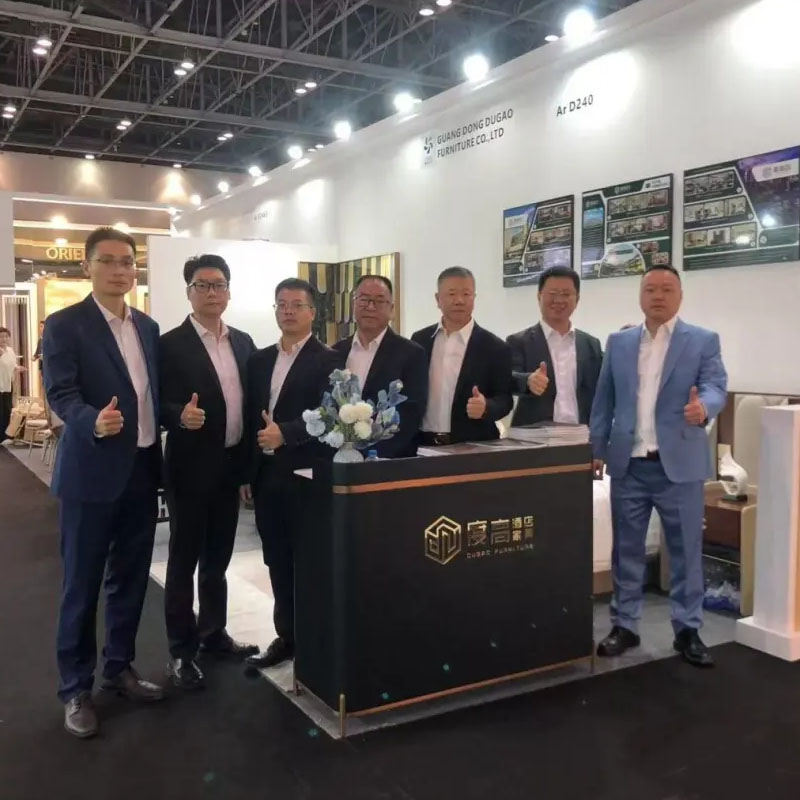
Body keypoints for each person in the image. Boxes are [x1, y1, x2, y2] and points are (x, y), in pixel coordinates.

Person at [43, 227, 165, 739]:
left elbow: (150, 396)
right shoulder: (65, 325)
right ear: (87, 267)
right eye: (108, 261)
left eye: (127, 262)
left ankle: (118, 667)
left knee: (130, 579)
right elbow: (60, 392)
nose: (120, 270)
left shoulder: (148, 328)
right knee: (82, 583)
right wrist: (91, 420)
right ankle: (75, 688)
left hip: (142, 471)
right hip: (91, 473)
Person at [590, 265, 727, 667]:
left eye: (667, 289)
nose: (658, 296)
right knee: (626, 550)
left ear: (680, 296)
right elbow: (603, 401)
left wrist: (704, 408)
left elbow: (716, 386)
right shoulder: (619, 342)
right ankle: (625, 625)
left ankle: (688, 629)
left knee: (685, 550)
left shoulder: (702, 340)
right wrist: (596, 448)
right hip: (629, 465)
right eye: (650, 289)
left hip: (679, 466)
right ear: (640, 295)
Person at [159, 255, 258, 690]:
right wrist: (178, 415)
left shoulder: (243, 342)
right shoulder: (169, 344)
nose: (212, 292)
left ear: (229, 291)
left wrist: (249, 468)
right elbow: (155, 402)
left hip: (230, 466)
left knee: (218, 559)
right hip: (189, 469)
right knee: (183, 562)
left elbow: (251, 406)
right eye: (203, 285)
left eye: (219, 285)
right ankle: (181, 651)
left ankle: (213, 633)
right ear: (189, 292)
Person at [243, 278, 338, 669]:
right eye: (281, 304)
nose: (288, 311)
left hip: (306, 475)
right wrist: (247, 473)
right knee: (276, 559)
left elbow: (332, 415)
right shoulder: (259, 360)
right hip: (267, 476)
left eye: (297, 304)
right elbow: (250, 417)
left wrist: (287, 432)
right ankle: (287, 636)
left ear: (312, 312)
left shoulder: (330, 360)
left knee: (309, 560)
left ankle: (316, 641)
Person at [411, 267, 513, 445]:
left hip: (473, 445)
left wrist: (486, 407)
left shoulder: (495, 347)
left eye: (466, 294)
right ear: (437, 299)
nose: (459, 300)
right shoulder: (420, 340)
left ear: (474, 298)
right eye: (451, 294)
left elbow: (505, 399)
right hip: (422, 443)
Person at [332, 275, 428, 458]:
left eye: (379, 301)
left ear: (391, 309)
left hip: (388, 460)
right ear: (354, 304)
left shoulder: (411, 354)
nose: (370, 307)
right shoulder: (336, 352)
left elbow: (410, 415)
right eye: (364, 299)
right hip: (338, 457)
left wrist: (370, 456)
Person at [506, 266, 602, 427]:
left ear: (577, 299)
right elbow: (504, 378)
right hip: (534, 436)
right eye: (552, 293)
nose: (558, 300)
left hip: (580, 435)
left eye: (566, 294)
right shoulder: (518, 341)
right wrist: (527, 380)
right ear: (539, 296)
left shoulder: (591, 344)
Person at [0, 326, 25, 441]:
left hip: (7, 384)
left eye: (6, 336)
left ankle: (5, 437)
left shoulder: (10, 350)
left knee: (7, 410)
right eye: (1, 337)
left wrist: (18, 368)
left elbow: (12, 364)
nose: (4, 339)